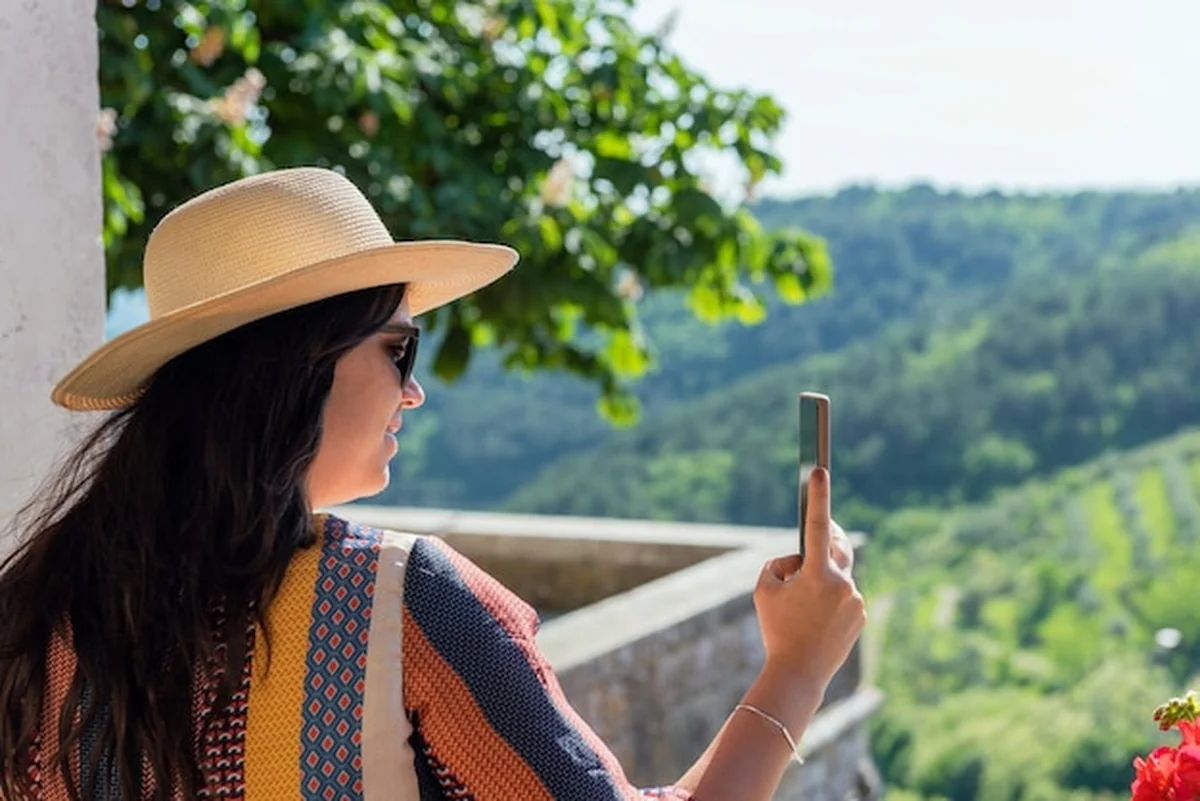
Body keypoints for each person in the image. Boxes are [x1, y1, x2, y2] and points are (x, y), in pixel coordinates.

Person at [0, 167, 866, 801]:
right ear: (295, 366)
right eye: (398, 349)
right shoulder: (400, 605)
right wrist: (798, 664)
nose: (414, 389)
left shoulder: (36, 630)